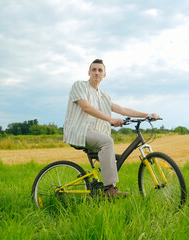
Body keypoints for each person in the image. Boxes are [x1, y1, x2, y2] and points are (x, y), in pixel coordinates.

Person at [63, 59, 160, 198]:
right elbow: (86, 107)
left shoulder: (104, 97)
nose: (97, 72)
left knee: (109, 153)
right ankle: (109, 189)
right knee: (107, 142)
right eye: (94, 69)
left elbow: (122, 109)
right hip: (79, 131)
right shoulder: (79, 86)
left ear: (104, 75)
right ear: (89, 72)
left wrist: (148, 115)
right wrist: (110, 119)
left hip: (94, 133)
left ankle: (100, 184)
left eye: (100, 70)